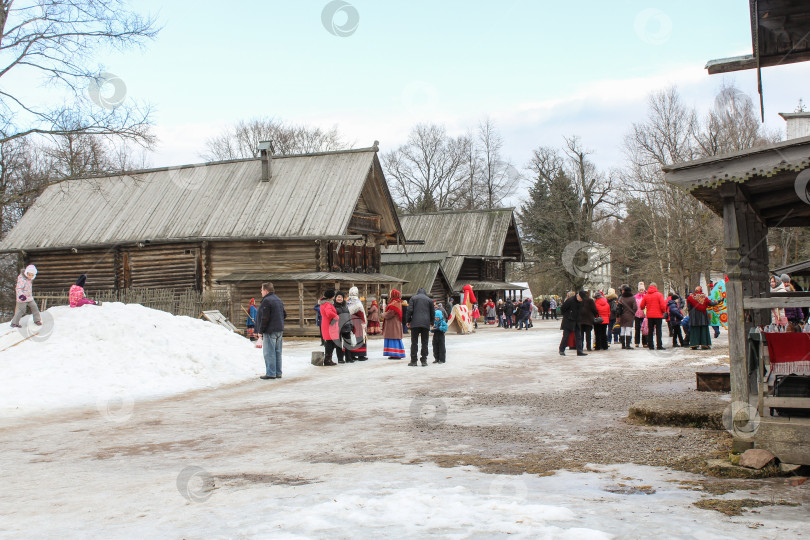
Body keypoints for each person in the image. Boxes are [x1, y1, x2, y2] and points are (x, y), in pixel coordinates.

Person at [256, 282, 286, 379]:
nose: (261, 292)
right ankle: (278, 372)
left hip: (270, 330)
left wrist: (260, 331)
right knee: (278, 352)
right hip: (279, 329)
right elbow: (284, 314)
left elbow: (265, 318)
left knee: (269, 352)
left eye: (261, 290)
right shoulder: (278, 299)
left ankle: (270, 373)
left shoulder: (266, 301)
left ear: (266, 290)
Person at [407, 287, 433, 367]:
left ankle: (414, 361)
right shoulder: (429, 300)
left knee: (414, 342)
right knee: (424, 342)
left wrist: (408, 321)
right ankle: (424, 360)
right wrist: (432, 322)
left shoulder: (413, 298)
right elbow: (432, 312)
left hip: (415, 323)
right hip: (425, 323)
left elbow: (409, 310)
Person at [687, 286, 717, 350]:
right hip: (703, 315)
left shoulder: (690, 297)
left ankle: (694, 345)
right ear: (701, 290)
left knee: (695, 330)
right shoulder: (704, 297)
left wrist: (690, 314)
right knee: (704, 330)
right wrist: (717, 302)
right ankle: (704, 345)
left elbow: (689, 307)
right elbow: (711, 303)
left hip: (694, 316)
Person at [640, 282, 667, 351]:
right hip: (658, 315)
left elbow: (642, 306)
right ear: (656, 287)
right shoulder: (659, 295)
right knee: (658, 330)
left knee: (650, 330)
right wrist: (663, 311)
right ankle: (659, 345)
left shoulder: (646, 295)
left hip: (650, 316)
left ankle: (650, 345)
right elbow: (663, 305)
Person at [559, 291, 586, 356]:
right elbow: (563, 309)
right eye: (581, 298)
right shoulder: (570, 300)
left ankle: (579, 351)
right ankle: (561, 350)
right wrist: (568, 315)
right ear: (578, 296)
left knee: (578, 336)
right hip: (568, 320)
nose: (581, 299)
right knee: (566, 336)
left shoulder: (582, 301)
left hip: (577, 320)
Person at [382, 289, 406, 360]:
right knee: (393, 336)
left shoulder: (395, 303)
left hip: (393, 324)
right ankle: (393, 353)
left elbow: (391, 313)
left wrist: (383, 314)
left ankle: (395, 353)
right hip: (393, 323)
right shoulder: (396, 302)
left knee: (393, 336)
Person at [319, 289, 340, 366]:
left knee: (329, 342)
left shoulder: (323, 303)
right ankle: (328, 360)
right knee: (330, 343)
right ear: (331, 297)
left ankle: (328, 359)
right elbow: (329, 313)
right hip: (329, 324)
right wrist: (336, 316)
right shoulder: (328, 304)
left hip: (326, 323)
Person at [347, 287, 367, 361]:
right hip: (358, 323)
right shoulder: (358, 302)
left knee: (352, 337)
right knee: (360, 337)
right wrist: (364, 322)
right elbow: (361, 313)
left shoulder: (348, 301)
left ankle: (352, 354)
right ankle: (361, 355)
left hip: (350, 321)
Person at [333, 291, 353, 363]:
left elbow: (349, 316)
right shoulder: (333, 307)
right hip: (337, 327)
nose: (339, 299)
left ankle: (348, 358)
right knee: (338, 343)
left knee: (348, 342)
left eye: (341, 297)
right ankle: (340, 358)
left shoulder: (345, 306)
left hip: (346, 326)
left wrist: (351, 325)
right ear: (335, 298)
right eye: (338, 297)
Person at [634, 282, 647, 348]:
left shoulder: (646, 296)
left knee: (644, 329)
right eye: (640, 290)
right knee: (637, 328)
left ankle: (644, 342)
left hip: (644, 314)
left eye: (642, 290)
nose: (641, 291)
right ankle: (637, 342)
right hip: (637, 314)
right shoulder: (635, 296)